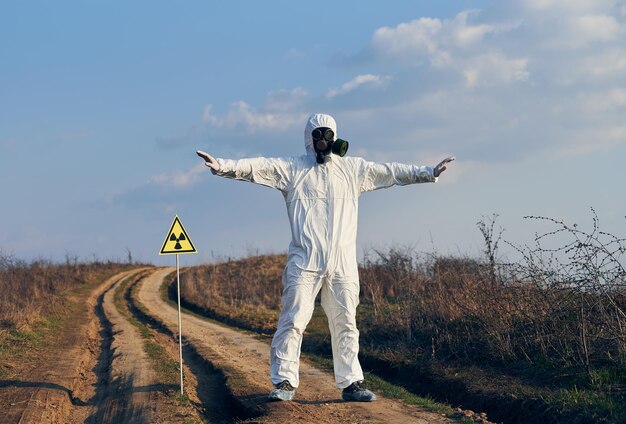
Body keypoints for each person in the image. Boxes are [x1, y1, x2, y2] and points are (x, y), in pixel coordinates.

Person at [197, 113, 454, 402]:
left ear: (335, 136)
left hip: (342, 263)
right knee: (293, 320)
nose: (323, 140)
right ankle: (283, 381)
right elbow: (259, 166)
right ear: (310, 138)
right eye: (317, 135)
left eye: (327, 134)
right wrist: (222, 167)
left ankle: (351, 383)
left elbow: (390, 172)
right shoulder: (294, 169)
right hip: (304, 262)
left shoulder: (353, 169)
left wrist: (427, 173)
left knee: (346, 321)